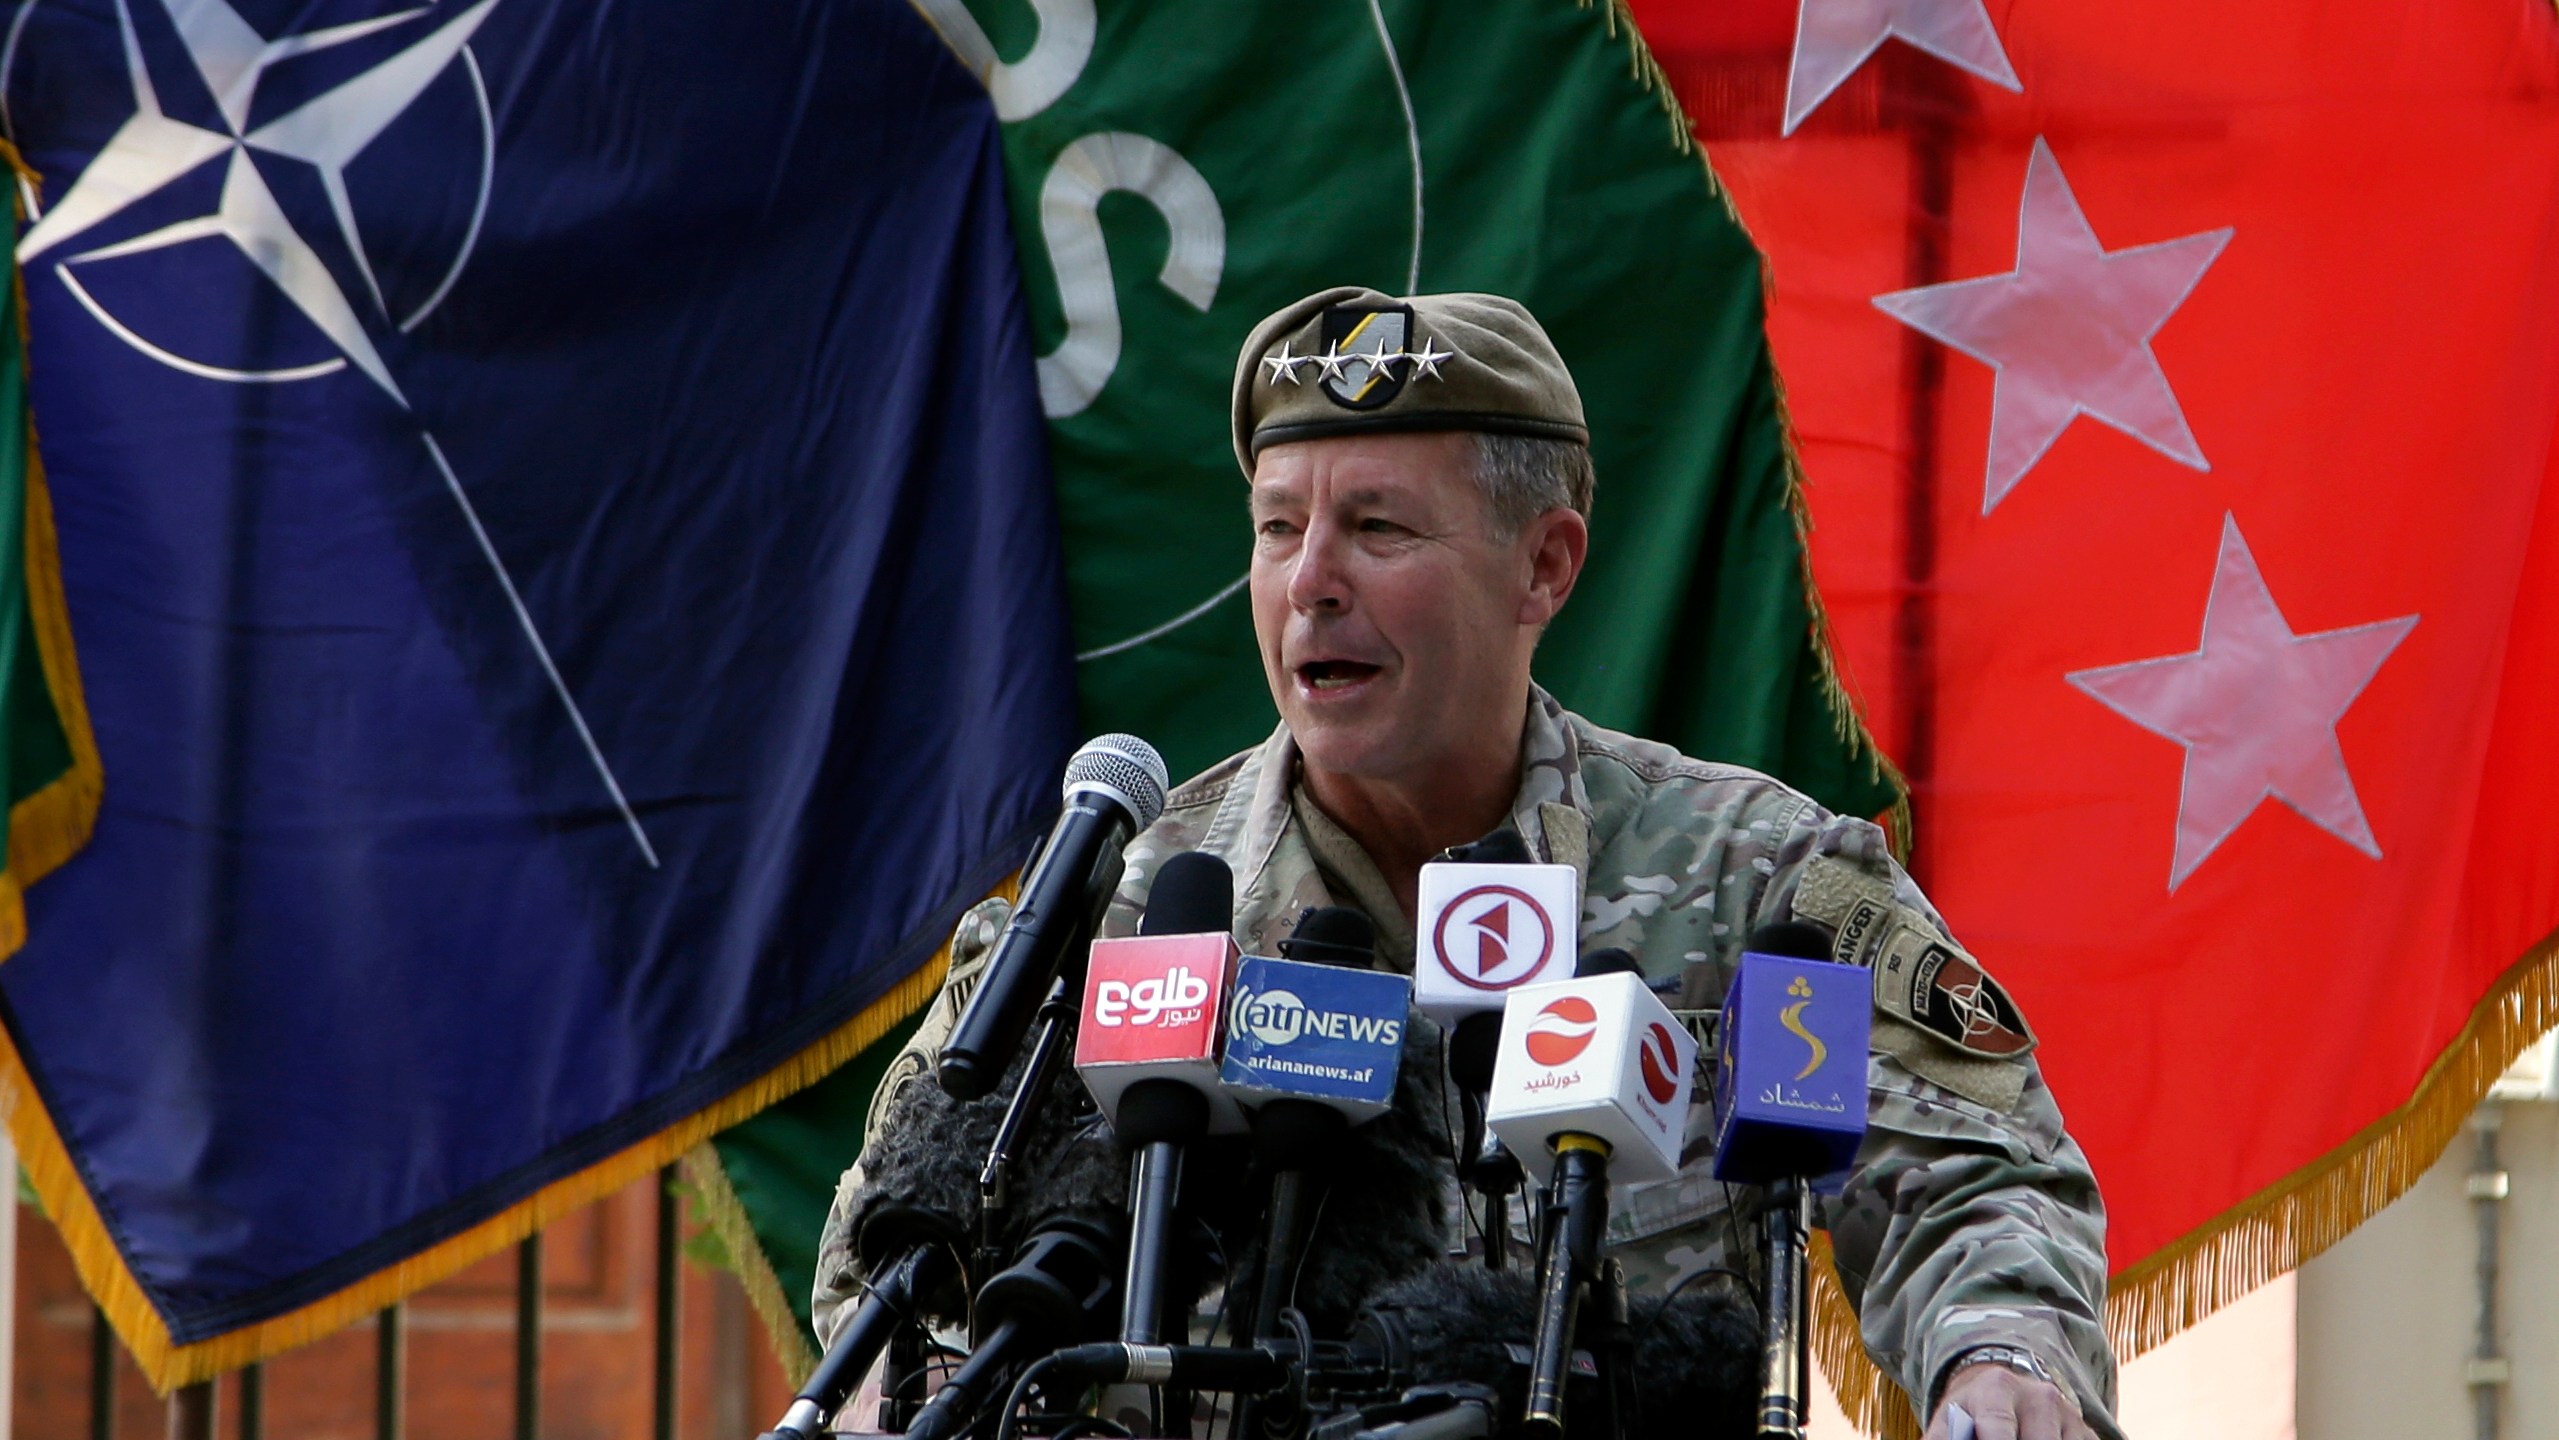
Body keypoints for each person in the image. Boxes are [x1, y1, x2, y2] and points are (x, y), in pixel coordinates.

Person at [819, 287, 2118, 1440]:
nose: (1311, 582)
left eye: (1378, 528)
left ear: (1542, 566)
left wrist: (1997, 1360)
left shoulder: (1767, 881)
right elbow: (894, 1275)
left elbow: (1984, 1173)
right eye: (1279, 530)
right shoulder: (1124, 915)